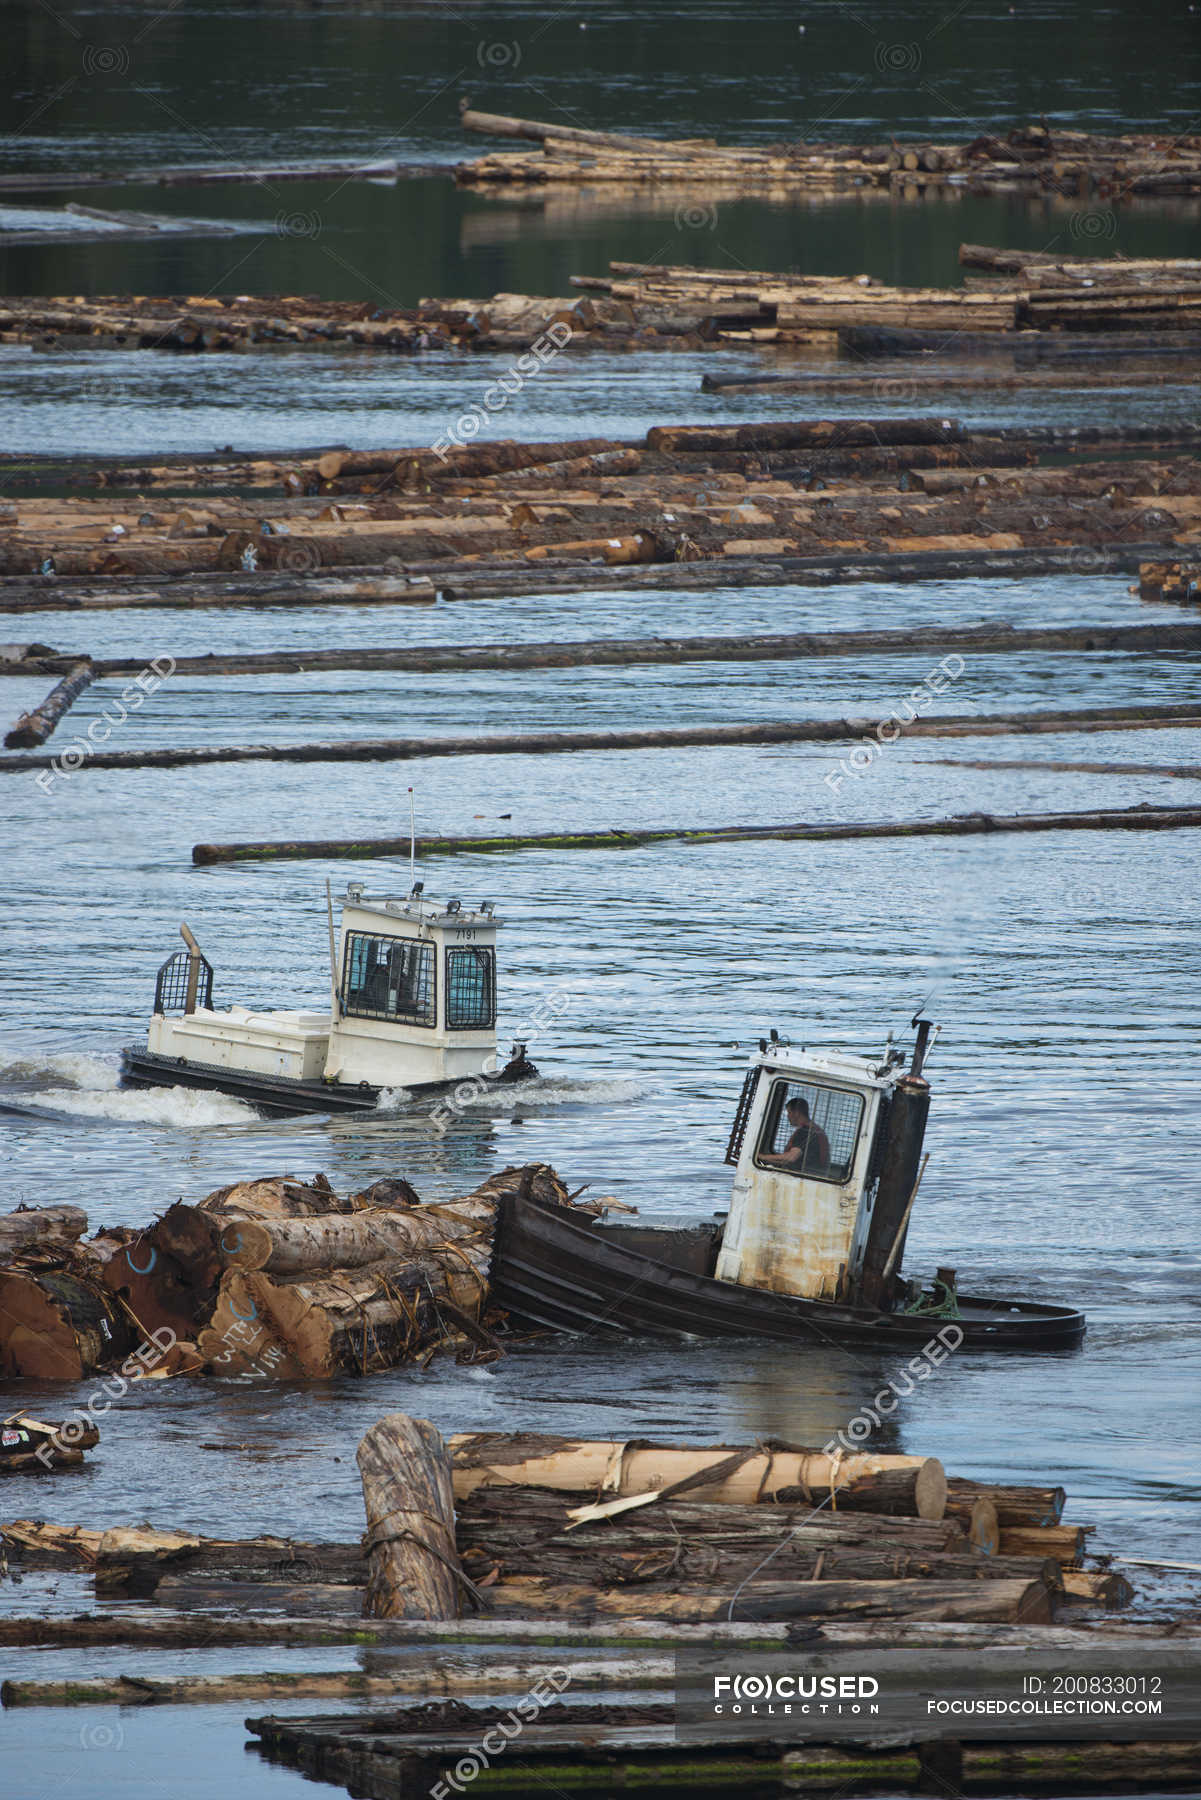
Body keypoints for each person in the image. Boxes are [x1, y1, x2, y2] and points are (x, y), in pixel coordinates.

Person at [761, 1095, 830, 1174]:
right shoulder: (814, 1129)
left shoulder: (806, 1131)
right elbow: (787, 1161)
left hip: (804, 1175)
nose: (787, 1116)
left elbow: (791, 1157)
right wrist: (767, 1159)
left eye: (789, 1112)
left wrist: (763, 1157)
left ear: (796, 1113)